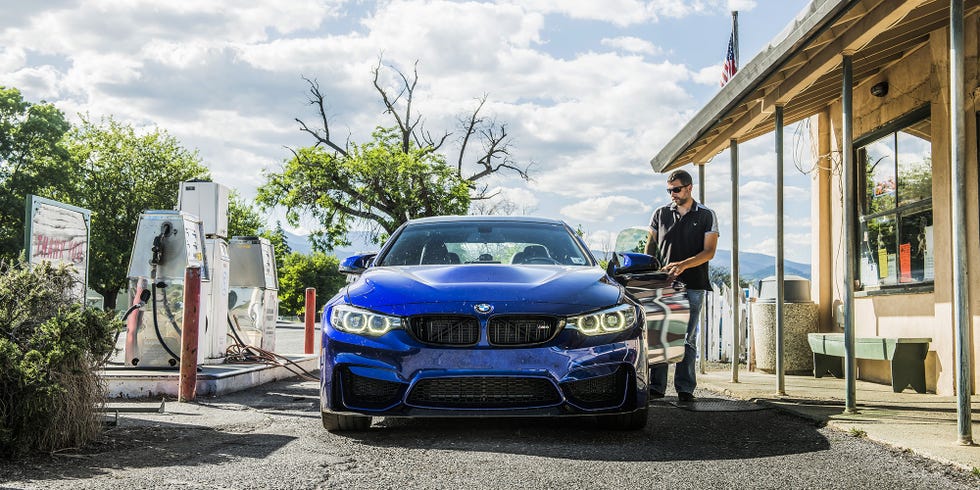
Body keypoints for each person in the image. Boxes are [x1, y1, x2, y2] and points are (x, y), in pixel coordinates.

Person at [645, 168, 719, 402]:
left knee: (686, 338)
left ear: (689, 188)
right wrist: (648, 274)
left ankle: (685, 389)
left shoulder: (706, 214)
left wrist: (684, 265)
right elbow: (650, 248)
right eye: (669, 190)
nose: (672, 194)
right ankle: (657, 387)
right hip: (663, 285)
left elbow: (709, 252)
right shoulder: (660, 213)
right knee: (660, 336)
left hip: (693, 285)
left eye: (676, 189)